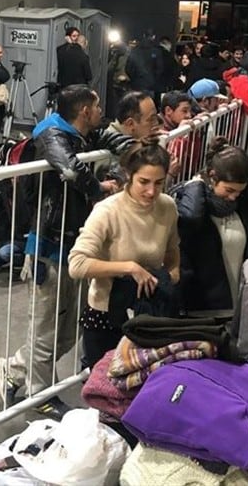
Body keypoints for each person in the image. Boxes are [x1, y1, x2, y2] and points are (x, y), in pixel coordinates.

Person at [0, 85, 133, 420]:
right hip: (48, 244)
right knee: (45, 328)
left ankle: (15, 369)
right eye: (97, 107)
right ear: (85, 110)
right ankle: (38, 394)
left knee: (70, 329)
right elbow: (71, 170)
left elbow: (112, 139)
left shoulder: (81, 133)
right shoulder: (51, 134)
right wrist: (99, 187)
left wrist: (134, 149)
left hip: (74, 243)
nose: (101, 113)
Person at [68, 144, 180, 367]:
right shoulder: (107, 211)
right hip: (106, 315)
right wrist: (129, 267)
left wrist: (172, 275)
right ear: (129, 175)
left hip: (149, 313)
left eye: (159, 183)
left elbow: (172, 248)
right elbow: (77, 264)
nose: (151, 191)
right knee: (105, 383)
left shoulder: (168, 207)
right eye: (144, 182)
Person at [175, 138, 248, 319]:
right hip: (201, 309)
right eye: (229, 190)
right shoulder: (193, 201)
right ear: (212, 177)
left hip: (237, 304)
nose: (233, 197)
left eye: (239, 191)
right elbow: (191, 218)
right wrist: (196, 184)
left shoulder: (240, 206)